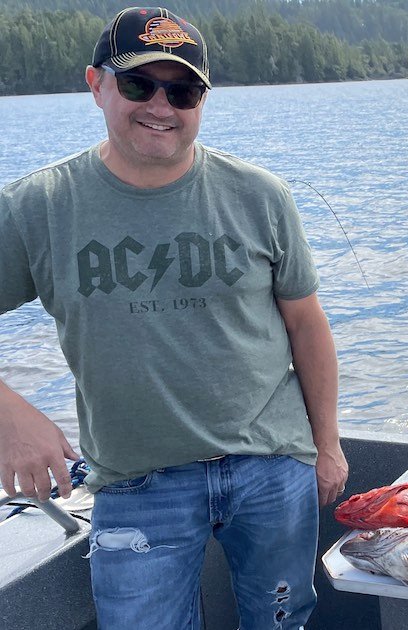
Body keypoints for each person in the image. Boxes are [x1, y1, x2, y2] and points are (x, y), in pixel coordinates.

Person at [0, 7, 348, 629]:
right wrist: (8, 414)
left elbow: (307, 326)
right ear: (96, 84)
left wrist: (327, 447)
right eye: (139, 84)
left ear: (203, 100)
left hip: (273, 468)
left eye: (183, 90)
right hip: (137, 484)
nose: (161, 105)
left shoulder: (260, 196)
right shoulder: (38, 207)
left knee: (282, 623)